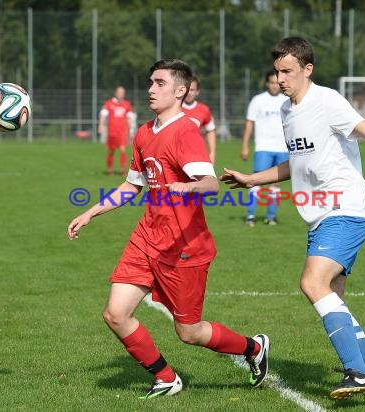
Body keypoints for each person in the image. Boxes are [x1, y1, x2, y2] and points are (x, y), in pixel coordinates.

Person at [221, 37, 365, 400]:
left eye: (288, 72)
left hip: (344, 209)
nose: (281, 79)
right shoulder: (286, 111)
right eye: (278, 72)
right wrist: (252, 178)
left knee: (313, 283)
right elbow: (295, 162)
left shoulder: (326, 101)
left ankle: (357, 373)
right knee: (333, 298)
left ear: (307, 69)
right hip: (319, 217)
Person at [68, 59, 270, 399]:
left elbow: (209, 184)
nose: (150, 89)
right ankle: (165, 378)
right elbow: (132, 186)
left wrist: (186, 188)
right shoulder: (145, 133)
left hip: (185, 247)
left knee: (189, 332)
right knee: (115, 314)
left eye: (159, 83)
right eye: (150, 82)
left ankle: (252, 349)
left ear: (180, 91)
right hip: (148, 237)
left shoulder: (186, 132)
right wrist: (92, 212)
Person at [241, 70, 289, 226]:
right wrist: (245, 146)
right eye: (272, 82)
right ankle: (250, 216)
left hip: (283, 148)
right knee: (256, 182)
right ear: (267, 83)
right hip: (263, 148)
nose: (275, 85)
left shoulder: (287, 100)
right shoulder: (258, 100)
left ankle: (271, 217)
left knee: (275, 184)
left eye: (277, 82)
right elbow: (249, 122)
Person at [98, 86, 136, 176]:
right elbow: (103, 115)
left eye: (123, 93)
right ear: (115, 93)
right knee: (111, 151)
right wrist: (101, 125)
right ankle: (110, 170)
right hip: (112, 132)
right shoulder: (109, 103)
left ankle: (123, 171)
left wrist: (131, 130)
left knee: (123, 150)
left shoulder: (127, 104)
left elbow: (129, 118)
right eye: (119, 92)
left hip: (122, 132)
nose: (121, 94)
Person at [182, 76, 217, 163]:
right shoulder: (174, 108)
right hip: (176, 155)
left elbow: (211, 130)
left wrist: (212, 153)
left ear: (197, 92)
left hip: (196, 156)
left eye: (192, 90)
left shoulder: (204, 109)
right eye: (187, 89)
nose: (189, 93)